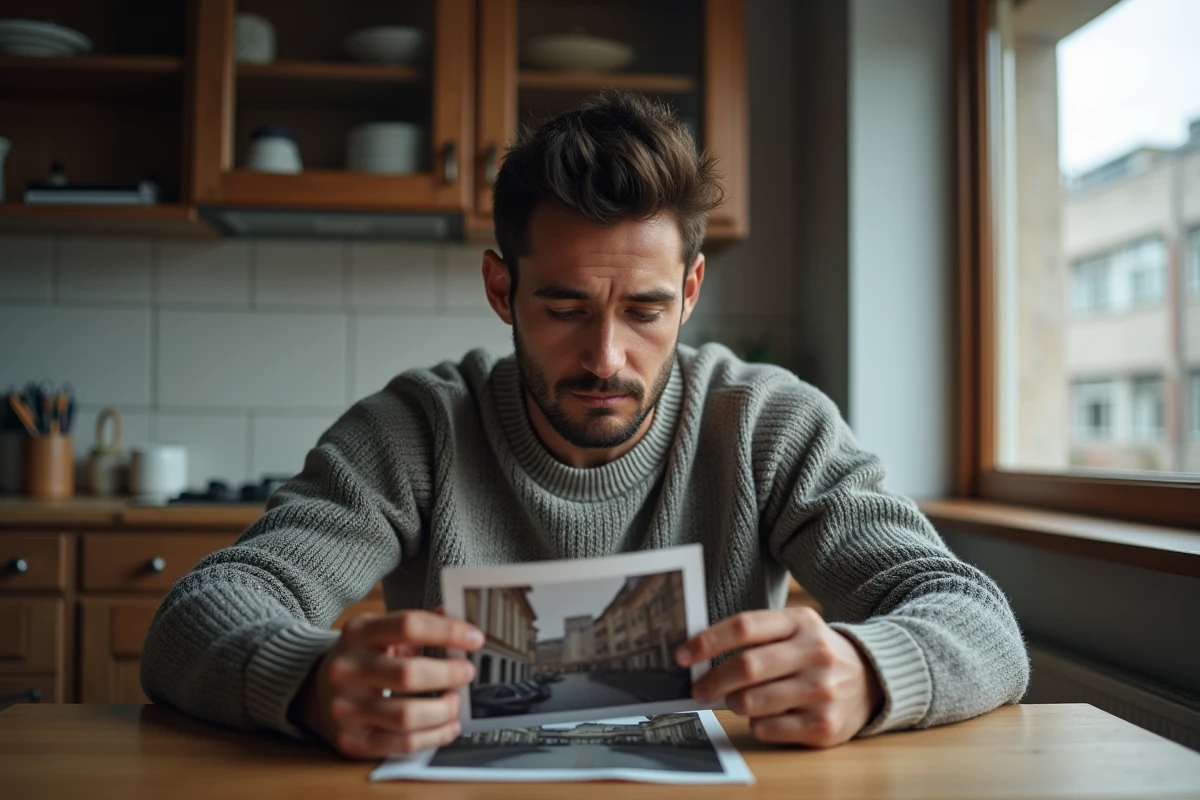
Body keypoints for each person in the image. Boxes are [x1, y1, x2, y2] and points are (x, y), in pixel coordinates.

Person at [141, 91, 1028, 759]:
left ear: (689, 293)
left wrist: (871, 672)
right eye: (565, 306)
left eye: (644, 310)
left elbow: (977, 619)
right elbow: (197, 616)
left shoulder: (769, 426)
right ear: (502, 290)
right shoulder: (414, 432)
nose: (606, 356)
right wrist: (305, 683)